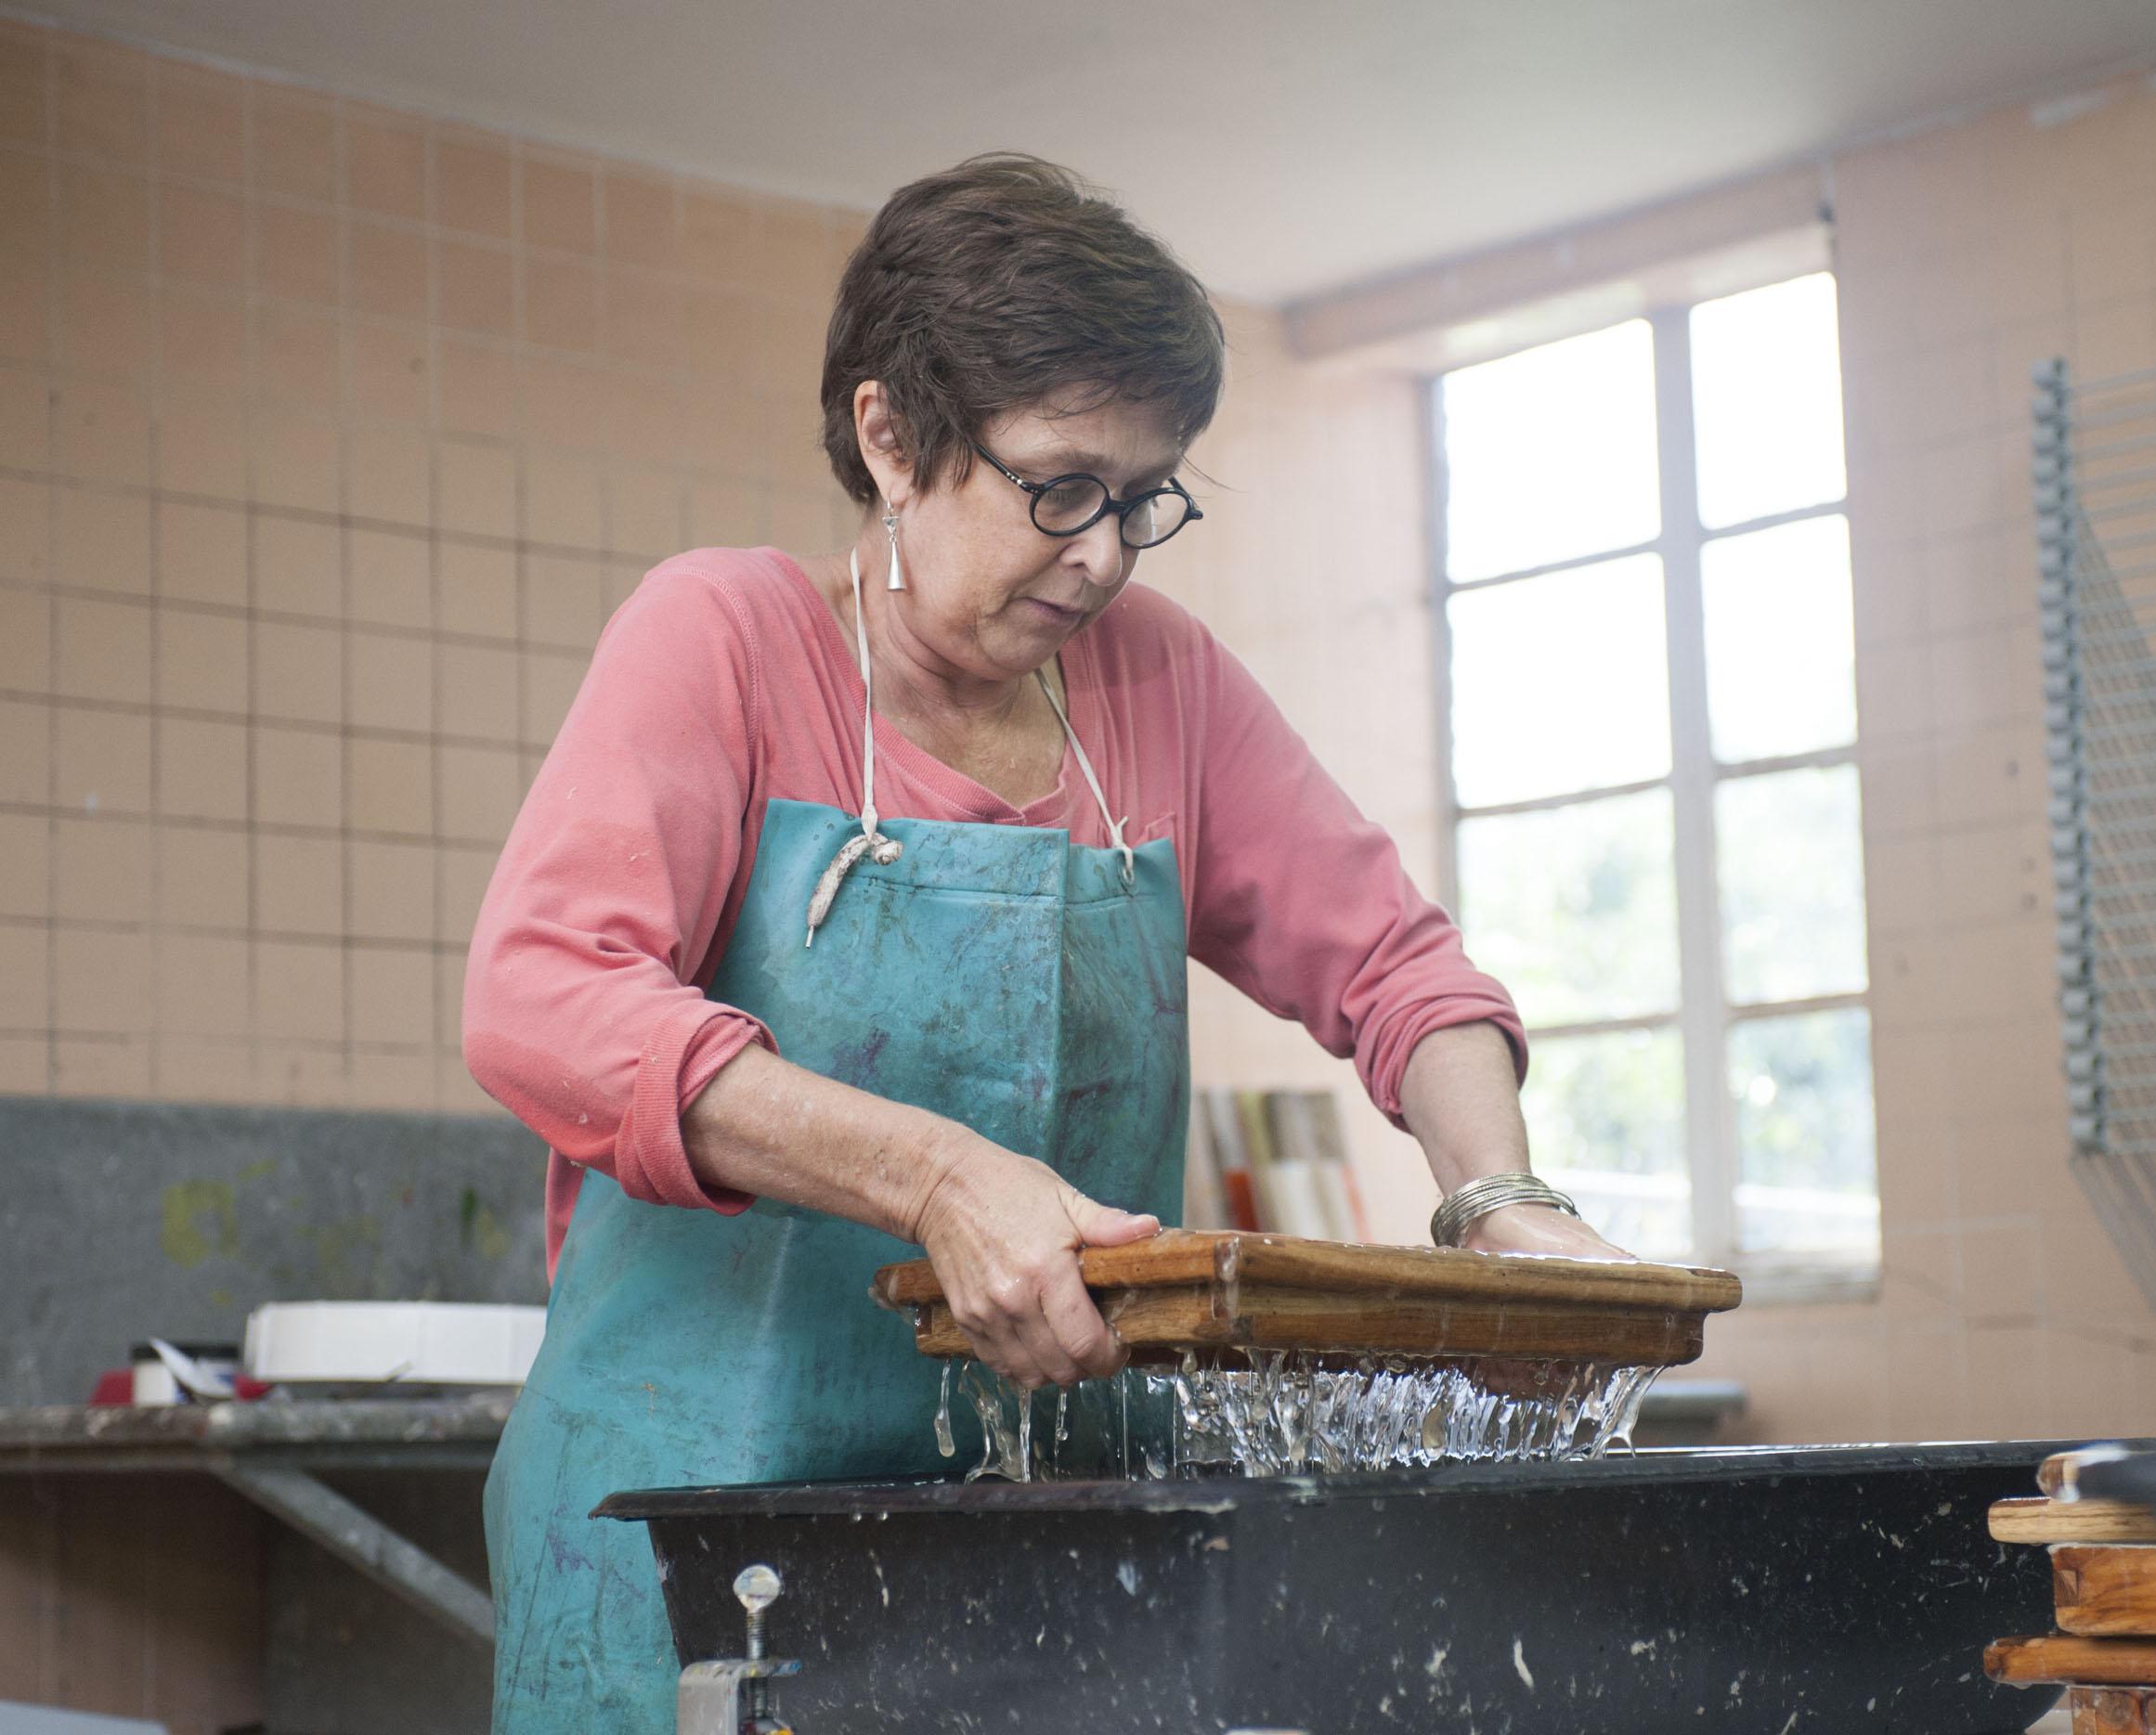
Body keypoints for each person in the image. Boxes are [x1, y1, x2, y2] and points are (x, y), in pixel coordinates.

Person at [463, 151, 1627, 1729]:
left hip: (1052, 1530)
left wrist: (1496, 1200)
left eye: (1144, 498)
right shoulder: (728, 637)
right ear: (890, 436)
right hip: (681, 1534)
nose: (1102, 553)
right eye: (1059, 486)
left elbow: (1398, 967)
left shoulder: (1160, 683)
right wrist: (934, 1178)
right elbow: (541, 995)